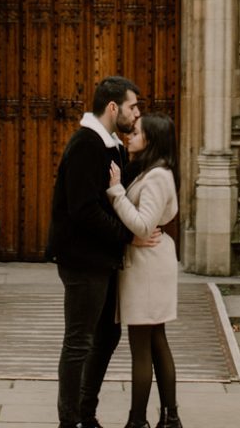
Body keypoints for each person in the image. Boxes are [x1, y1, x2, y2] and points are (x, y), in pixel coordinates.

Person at [48, 76, 161, 428]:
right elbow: (83, 208)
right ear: (113, 108)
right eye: (132, 107)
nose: (137, 113)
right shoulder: (86, 143)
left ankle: (86, 411)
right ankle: (70, 420)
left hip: (103, 257)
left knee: (107, 336)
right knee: (79, 340)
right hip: (82, 259)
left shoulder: (110, 144)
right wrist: (127, 238)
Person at [108, 113, 182, 428]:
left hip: (147, 269)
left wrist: (115, 191)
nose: (129, 135)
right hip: (149, 263)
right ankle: (170, 418)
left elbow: (142, 224)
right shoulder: (152, 172)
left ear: (150, 139)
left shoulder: (156, 177)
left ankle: (137, 421)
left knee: (142, 345)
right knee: (155, 340)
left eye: (136, 132)